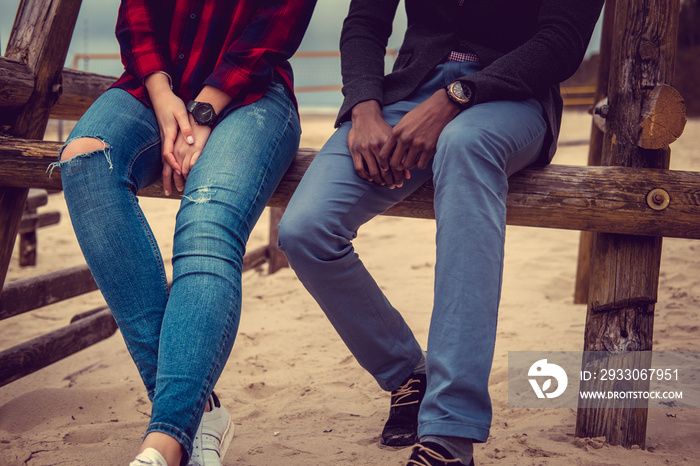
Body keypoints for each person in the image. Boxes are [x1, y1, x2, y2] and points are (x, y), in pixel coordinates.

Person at [277, 1, 604, 465]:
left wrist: (458, 96)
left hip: (511, 99)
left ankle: (450, 432)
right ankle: (408, 372)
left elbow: (562, 42)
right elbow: (366, 22)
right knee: (305, 229)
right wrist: (364, 107)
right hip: (405, 95)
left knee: (465, 144)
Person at [52, 1, 316, 465]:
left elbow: (279, 21)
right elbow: (135, 11)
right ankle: (201, 411)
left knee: (208, 219)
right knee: (86, 159)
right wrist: (161, 92)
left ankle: (167, 443)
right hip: (152, 86)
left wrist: (204, 111)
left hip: (252, 95)